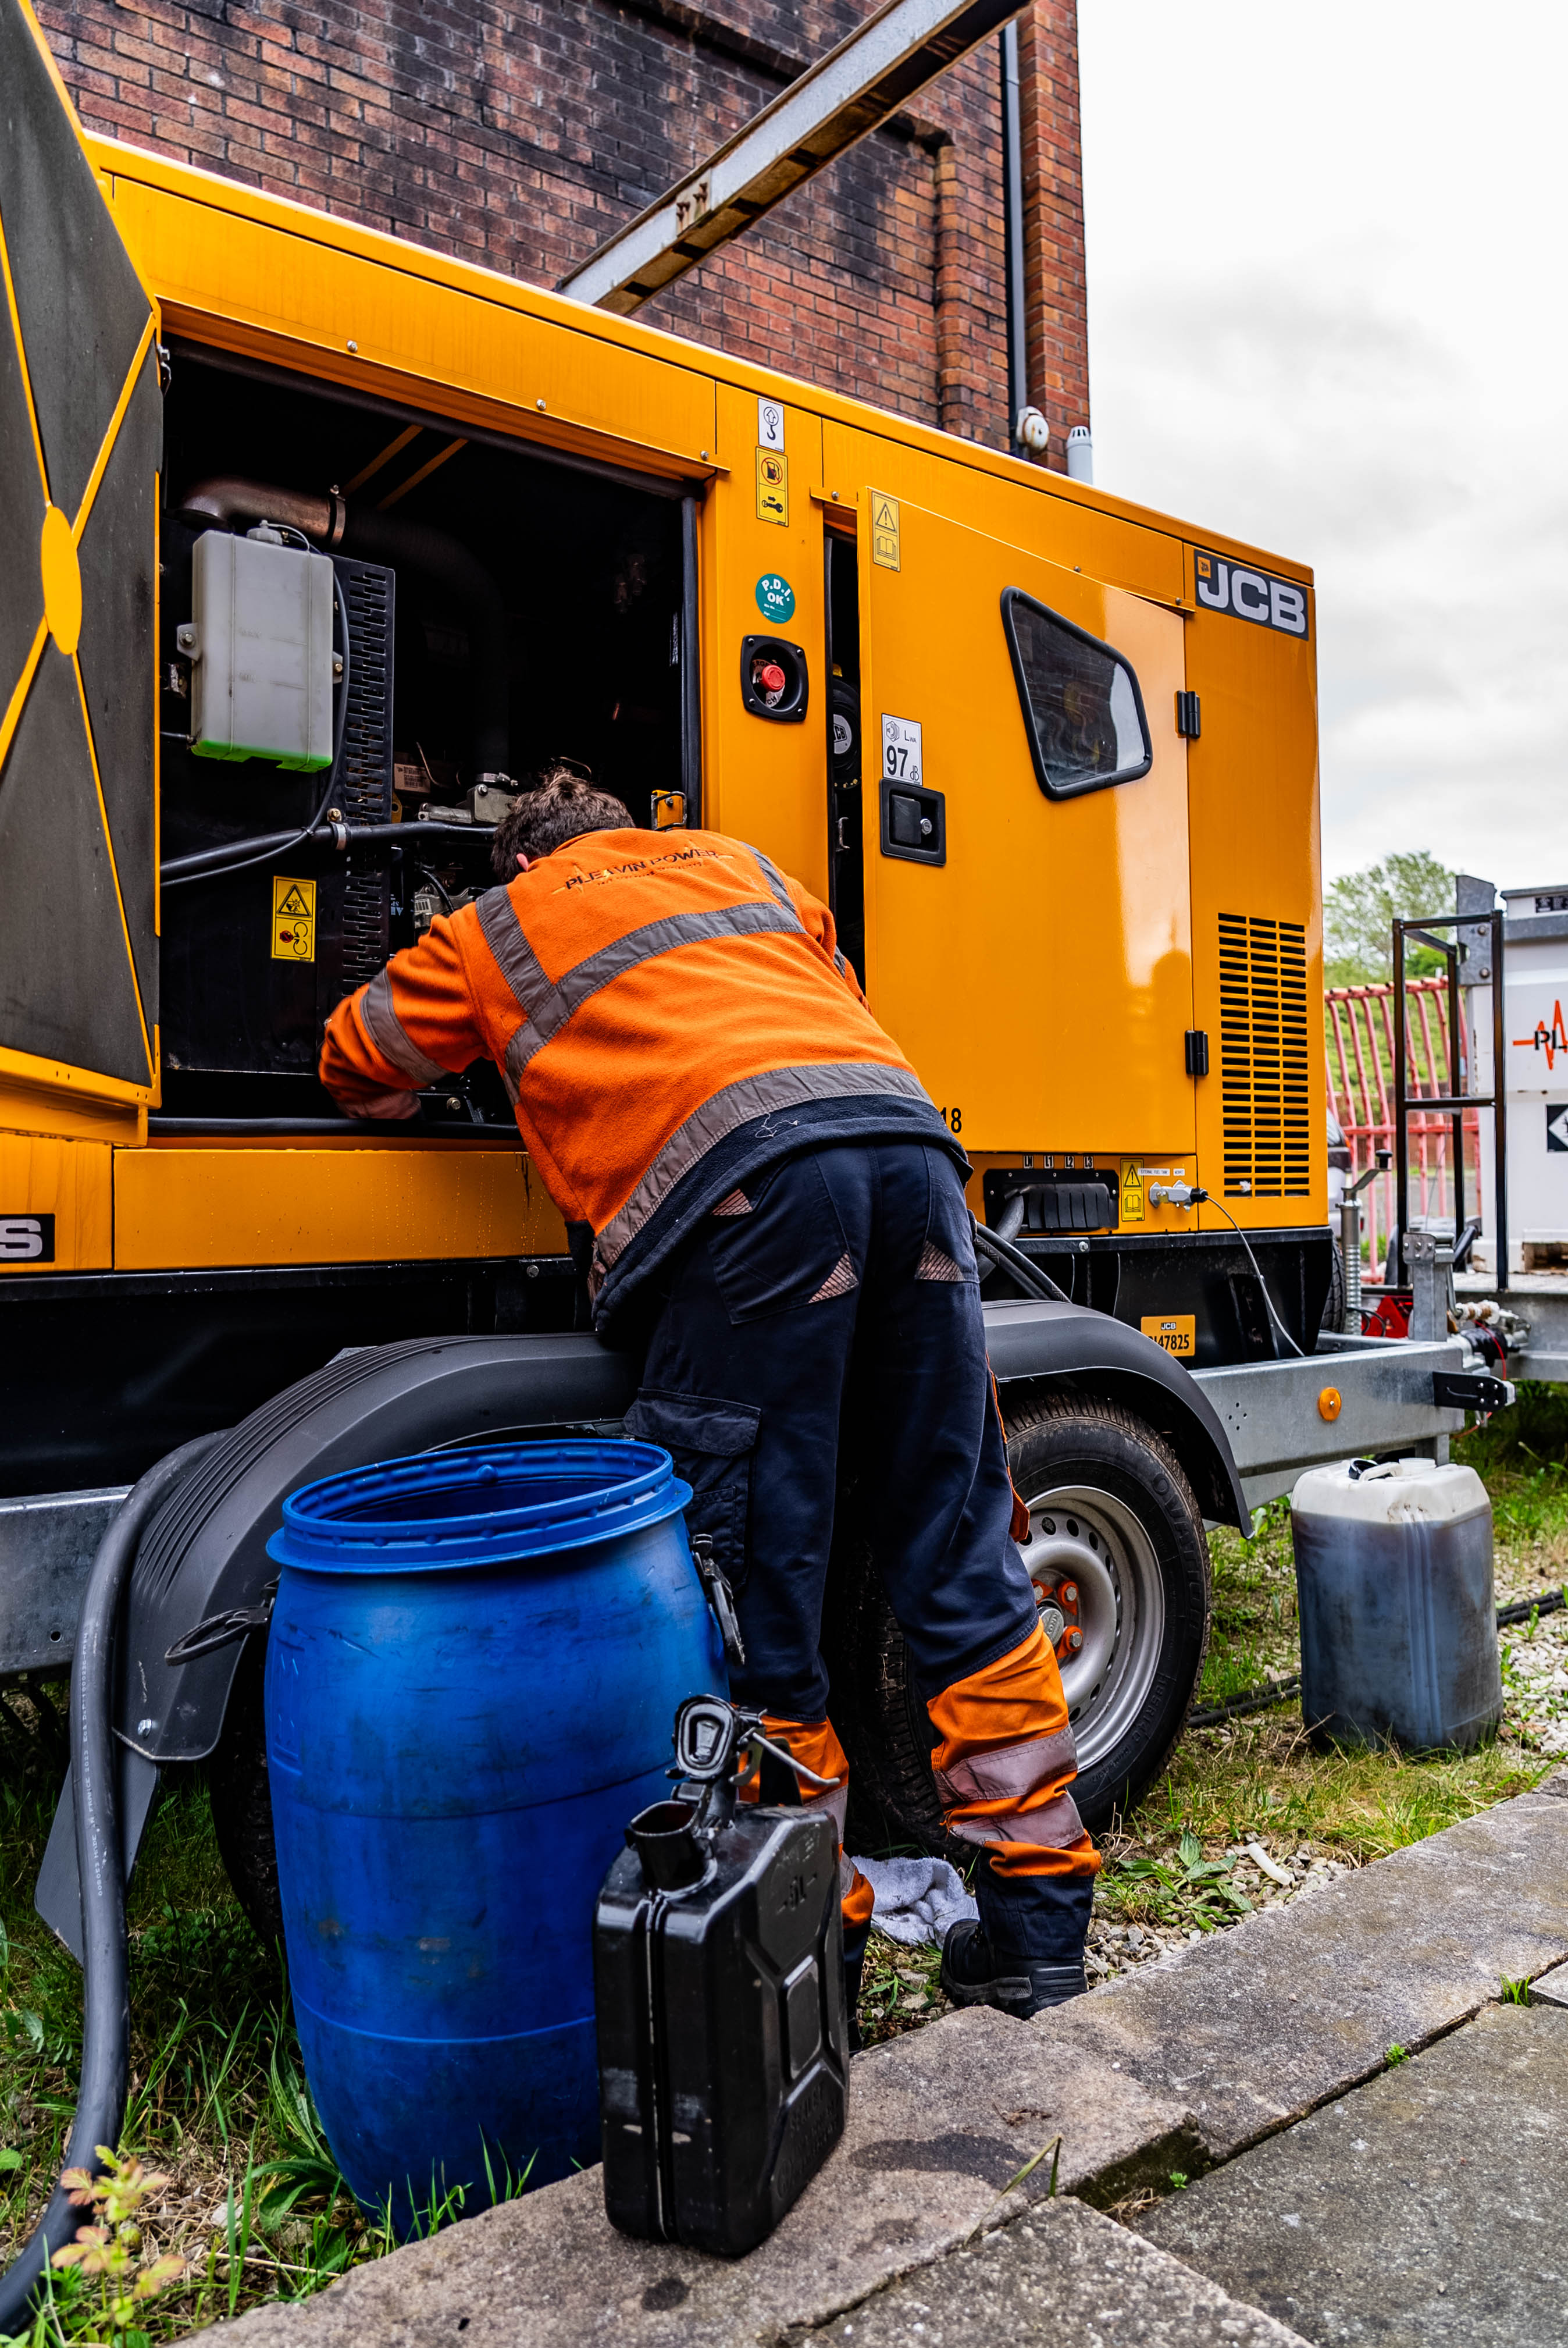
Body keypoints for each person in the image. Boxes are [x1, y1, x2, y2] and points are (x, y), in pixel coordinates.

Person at [319, 766, 1099, 2022]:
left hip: (751, 1208)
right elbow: (815, 1010)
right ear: (633, 829)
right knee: (957, 1545)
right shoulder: (750, 869)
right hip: (912, 1156)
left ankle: (814, 1951)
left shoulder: (496, 927)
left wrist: (496, 1068)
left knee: (751, 1587)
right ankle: (1038, 1927)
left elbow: (355, 1060)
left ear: (522, 860)